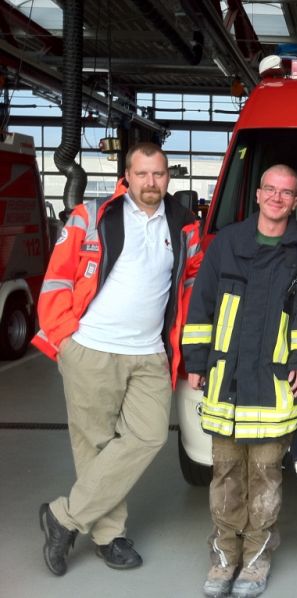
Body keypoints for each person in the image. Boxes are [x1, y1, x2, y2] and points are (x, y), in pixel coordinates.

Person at [33, 142, 202, 575]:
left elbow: (191, 282)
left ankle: (63, 516)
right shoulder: (92, 216)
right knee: (95, 445)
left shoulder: (184, 224)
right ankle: (110, 538)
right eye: (142, 174)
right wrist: (65, 338)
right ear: (127, 176)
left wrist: (187, 345)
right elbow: (57, 277)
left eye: (158, 174)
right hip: (92, 348)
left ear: (168, 177)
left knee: (149, 436)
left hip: (150, 353)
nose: (151, 182)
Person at [181, 164, 297, 598]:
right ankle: (224, 556)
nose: (277, 197)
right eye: (270, 189)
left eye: (286, 192)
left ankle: (256, 559)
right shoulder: (227, 243)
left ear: (296, 202)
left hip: (274, 385)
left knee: (265, 476)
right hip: (226, 380)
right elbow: (201, 304)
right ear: (257, 195)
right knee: (225, 474)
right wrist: (196, 359)